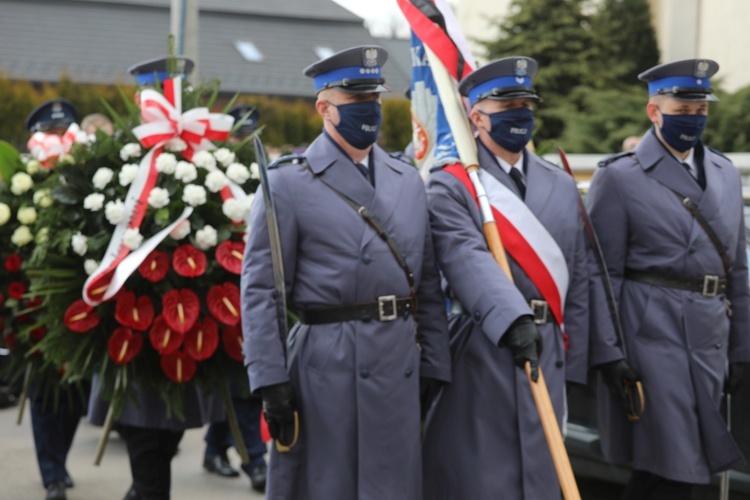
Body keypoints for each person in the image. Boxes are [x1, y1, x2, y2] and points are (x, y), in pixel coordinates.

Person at [241, 45, 451, 499]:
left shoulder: (407, 179)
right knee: (329, 485)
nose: (369, 108)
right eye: (356, 98)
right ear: (324, 108)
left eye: (375, 96)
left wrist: (435, 360)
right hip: (326, 366)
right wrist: (270, 380)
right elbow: (261, 291)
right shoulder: (288, 183)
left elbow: (428, 284)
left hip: (397, 360)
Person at [421, 56, 593, 499]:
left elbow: (579, 274)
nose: (520, 113)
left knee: (542, 477)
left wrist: (581, 361)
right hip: (486, 345)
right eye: (507, 104)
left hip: (548, 348)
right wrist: (512, 318)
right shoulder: (453, 183)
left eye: (525, 103)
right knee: (485, 477)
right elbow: (464, 256)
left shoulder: (558, 182)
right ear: (476, 117)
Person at [587, 58, 749, 499]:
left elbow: (737, 268)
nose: (693, 119)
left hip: (709, 337)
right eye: (682, 109)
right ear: (654, 111)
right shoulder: (618, 176)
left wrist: (742, 347)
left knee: (678, 467)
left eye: (701, 111)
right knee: (676, 465)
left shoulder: (724, 173)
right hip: (651, 334)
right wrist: (608, 352)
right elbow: (604, 274)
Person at [87, 55, 223, 500]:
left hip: (184, 334)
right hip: (132, 335)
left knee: (163, 448)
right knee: (148, 465)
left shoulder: (204, 163)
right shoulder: (117, 164)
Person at [202, 104, 268, 493]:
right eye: (240, 137)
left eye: (250, 136)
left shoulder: (268, 172)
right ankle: (255, 461)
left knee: (242, 379)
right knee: (240, 380)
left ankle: (217, 449)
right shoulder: (212, 175)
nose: (246, 144)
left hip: (254, 290)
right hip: (221, 291)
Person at [23, 99, 88, 500]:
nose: (60, 142)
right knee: (45, 391)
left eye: (66, 134)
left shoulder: (88, 180)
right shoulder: (22, 182)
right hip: (33, 306)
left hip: (79, 303)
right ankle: (52, 473)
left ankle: (59, 460)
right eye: (52, 135)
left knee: (77, 393)